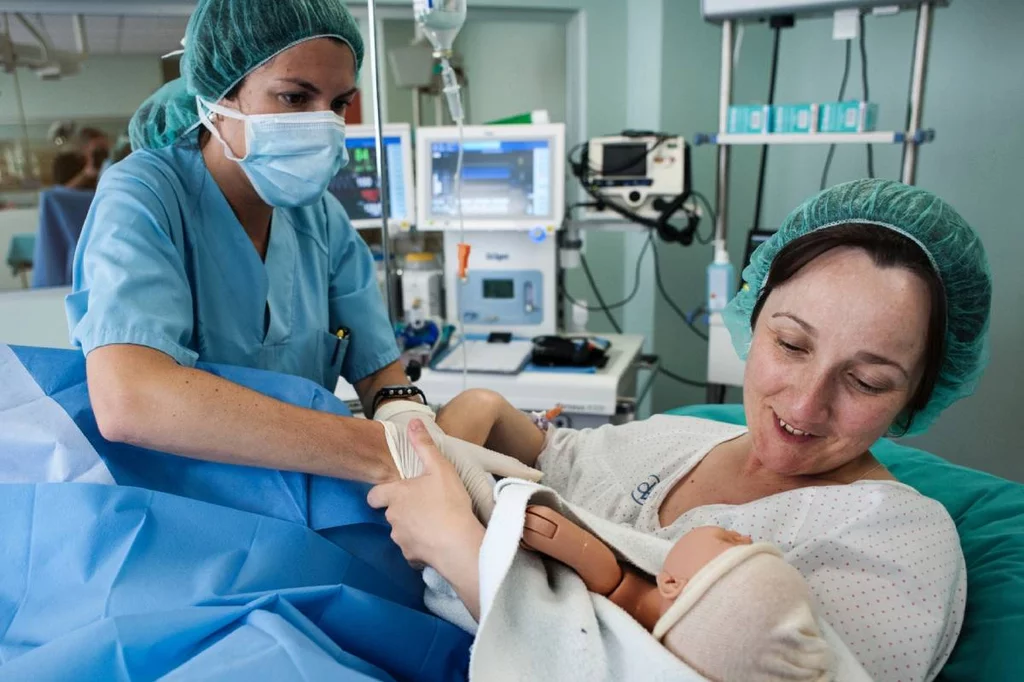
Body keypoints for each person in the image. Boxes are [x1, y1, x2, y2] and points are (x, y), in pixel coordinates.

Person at [369, 178, 993, 681]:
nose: (805, 406)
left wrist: (458, 549)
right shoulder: (683, 438)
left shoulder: (897, 543)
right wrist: (472, 408)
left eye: (867, 382)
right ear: (754, 316)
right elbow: (550, 452)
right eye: (791, 343)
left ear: (918, 393)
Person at [65, 0, 530, 494]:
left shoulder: (318, 216)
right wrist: (381, 453)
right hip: (186, 520)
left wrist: (408, 418)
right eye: (293, 98)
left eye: (338, 104)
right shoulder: (144, 196)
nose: (323, 123)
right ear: (218, 98)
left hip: (310, 502)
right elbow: (130, 398)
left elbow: (380, 373)